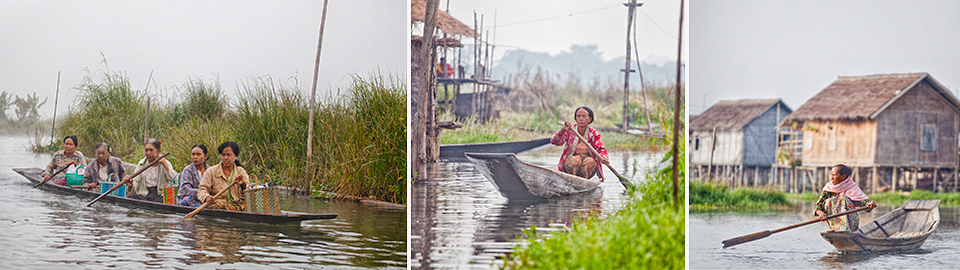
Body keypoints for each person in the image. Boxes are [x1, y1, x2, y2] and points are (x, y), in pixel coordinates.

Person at [550, 106, 609, 180]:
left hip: (587, 164)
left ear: (590, 119)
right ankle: (572, 180)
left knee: (588, 162)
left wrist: (604, 158)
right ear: (575, 119)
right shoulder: (570, 131)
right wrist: (562, 130)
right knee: (574, 161)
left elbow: (601, 150)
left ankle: (584, 182)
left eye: (584, 116)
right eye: (578, 116)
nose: (581, 118)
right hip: (571, 164)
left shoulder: (594, 134)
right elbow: (554, 141)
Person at [815, 164, 878, 232]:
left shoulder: (851, 186)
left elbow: (864, 201)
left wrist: (870, 203)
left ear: (843, 176)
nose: (831, 178)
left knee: (843, 199)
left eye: (834, 175)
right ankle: (835, 229)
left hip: (850, 225)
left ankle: (845, 229)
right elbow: (818, 205)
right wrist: (820, 212)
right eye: (831, 175)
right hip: (834, 223)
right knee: (829, 201)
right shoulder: (829, 187)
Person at [198, 141, 249, 211]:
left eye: (228, 155)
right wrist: (207, 197)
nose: (225, 157)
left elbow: (248, 193)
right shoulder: (211, 171)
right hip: (217, 205)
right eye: (223, 155)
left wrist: (243, 184)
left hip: (237, 206)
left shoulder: (240, 171)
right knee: (221, 205)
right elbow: (202, 190)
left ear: (236, 156)